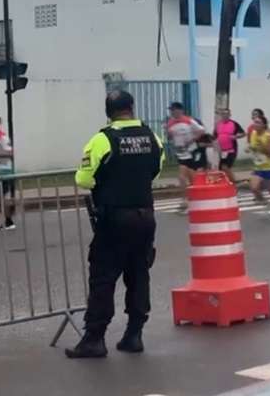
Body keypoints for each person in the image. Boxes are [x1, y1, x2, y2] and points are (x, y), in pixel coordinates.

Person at [66, 90, 165, 359]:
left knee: (103, 277)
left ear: (108, 112)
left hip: (114, 219)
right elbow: (156, 170)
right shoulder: (152, 137)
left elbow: (83, 180)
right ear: (131, 108)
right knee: (139, 274)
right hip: (145, 217)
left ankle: (94, 339)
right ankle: (134, 335)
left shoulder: (102, 140)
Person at [166, 102, 205, 214]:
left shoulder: (189, 121)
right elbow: (169, 137)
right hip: (180, 152)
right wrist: (169, 134)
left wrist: (192, 139)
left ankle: (190, 200)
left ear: (180, 111)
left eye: (174, 110)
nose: (172, 112)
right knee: (188, 178)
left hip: (191, 152)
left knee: (183, 177)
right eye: (171, 110)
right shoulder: (170, 123)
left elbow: (201, 131)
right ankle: (191, 199)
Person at [247, 115, 270, 220]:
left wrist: (262, 148)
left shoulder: (267, 136)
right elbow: (252, 145)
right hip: (258, 166)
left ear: (263, 125)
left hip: (269, 166)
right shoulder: (253, 133)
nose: (255, 124)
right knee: (253, 187)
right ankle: (263, 200)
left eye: (258, 122)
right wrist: (250, 147)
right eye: (255, 122)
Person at [213, 109, 245, 183]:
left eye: (227, 114)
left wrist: (236, 136)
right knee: (222, 168)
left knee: (225, 165)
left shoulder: (233, 124)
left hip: (231, 149)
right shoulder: (218, 124)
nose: (225, 116)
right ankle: (231, 181)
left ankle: (232, 182)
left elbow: (243, 133)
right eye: (223, 114)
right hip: (222, 150)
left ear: (229, 115)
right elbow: (215, 136)